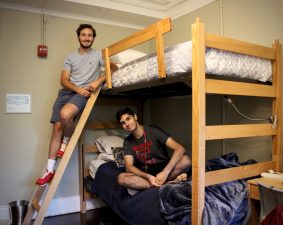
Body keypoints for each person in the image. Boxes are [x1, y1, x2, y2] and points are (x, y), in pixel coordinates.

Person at [36, 24, 117, 186]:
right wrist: (78, 89)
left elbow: (113, 67)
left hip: (84, 93)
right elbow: (64, 81)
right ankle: (49, 170)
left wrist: (98, 80)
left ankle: (66, 140)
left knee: (66, 115)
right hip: (67, 92)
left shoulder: (98, 55)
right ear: (78, 37)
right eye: (83, 35)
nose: (86, 38)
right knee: (56, 129)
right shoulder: (70, 57)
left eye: (90, 35)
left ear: (93, 38)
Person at [115, 107, 191, 192]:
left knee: (186, 160)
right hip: (147, 175)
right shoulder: (127, 141)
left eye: (128, 119)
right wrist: (148, 177)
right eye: (123, 123)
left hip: (165, 170)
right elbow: (129, 167)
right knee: (122, 178)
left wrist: (165, 172)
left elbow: (180, 149)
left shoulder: (153, 131)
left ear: (135, 117)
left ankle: (161, 182)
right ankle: (166, 184)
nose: (127, 124)